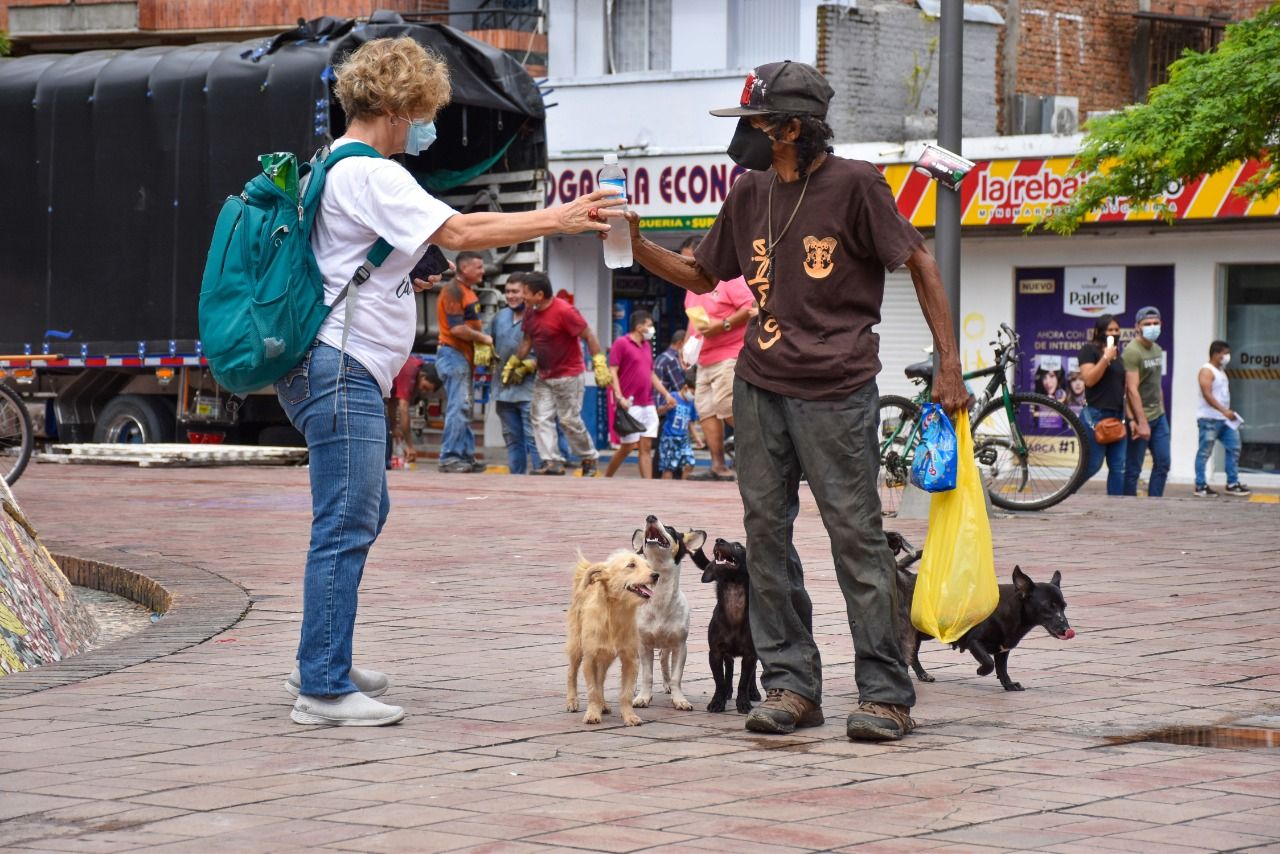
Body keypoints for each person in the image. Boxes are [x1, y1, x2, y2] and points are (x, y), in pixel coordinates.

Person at [596, 60, 967, 741]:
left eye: (756, 124)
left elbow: (920, 261)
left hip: (837, 389)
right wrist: (637, 242)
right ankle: (792, 686)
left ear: (792, 127)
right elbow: (704, 272)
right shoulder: (749, 192)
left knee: (856, 540)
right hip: (761, 384)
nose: (746, 137)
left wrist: (950, 365)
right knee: (766, 541)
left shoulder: (857, 185)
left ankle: (886, 693)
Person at [276, 36, 620, 727]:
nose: (428, 126)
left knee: (362, 514)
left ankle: (325, 655)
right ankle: (321, 687)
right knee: (345, 522)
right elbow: (461, 232)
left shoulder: (332, 167)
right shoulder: (370, 172)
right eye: (426, 111)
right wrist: (559, 217)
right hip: (339, 370)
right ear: (400, 107)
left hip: (338, 369)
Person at [508, 271, 611, 477]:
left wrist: (599, 363)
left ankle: (588, 457)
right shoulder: (530, 311)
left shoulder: (565, 311)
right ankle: (552, 461)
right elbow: (528, 340)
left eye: (525, 293)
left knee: (569, 420)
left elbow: (588, 335)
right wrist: (513, 362)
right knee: (539, 417)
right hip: (544, 375)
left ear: (539, 294)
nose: (522, 297)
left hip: (569, 375)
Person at [682, 243, 754, 482]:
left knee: (726, 406)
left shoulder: (729, 279)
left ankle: (763, 453)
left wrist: (722, 325)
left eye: (689, 259)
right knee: (707, 412)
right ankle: (718, 466)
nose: (686, 264)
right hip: (703, 358)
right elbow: (692, 322)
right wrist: (685, 349)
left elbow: (750, 307)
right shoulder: (693, 287)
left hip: (730, 353)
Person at [435, 250, 492, 473]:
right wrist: (483, 338)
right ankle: (450, 457)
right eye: (479, 267)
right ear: (464, 268)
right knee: (459, 406)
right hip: (453, 354)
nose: (483, 271)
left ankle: (465, 456)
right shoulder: (453, 291)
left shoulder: (466, 291)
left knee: (464, 406)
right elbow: (456, 328)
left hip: (461, 357)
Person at [604, 311, 677, 478]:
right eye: (649, 325)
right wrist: (619, 395)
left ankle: (648, 485)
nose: (652, 329)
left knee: (646, 446)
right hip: (630, 403)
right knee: (627, 446)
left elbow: (650, 374)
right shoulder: (621, 343)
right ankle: (607, 477)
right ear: (639, 327)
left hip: (648, 402)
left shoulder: (646, 346)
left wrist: (666, 394)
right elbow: (613, 371)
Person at [486, 273, 541, 474]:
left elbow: (549, 352)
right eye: (508, 292)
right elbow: (487, 340)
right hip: (502, 389)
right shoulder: (499, 317)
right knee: (512, 438)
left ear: (525, 293)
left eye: (515, 291)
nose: (511, 296)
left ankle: (539, 477)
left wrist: (530, 364)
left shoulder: (537, 316)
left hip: (529, 390)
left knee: (533, 437)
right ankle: (516, 480)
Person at [1076, 314, 1128, 496]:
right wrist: (1105, 358)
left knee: (1118, 466)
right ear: (1099, 332)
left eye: (1116, 329)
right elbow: (1089, 380)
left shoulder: (1119, 357)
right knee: (1093, 464)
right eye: (1110, 330)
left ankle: (1116, 505)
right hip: (1095, 415)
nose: (1114, 333)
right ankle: (1066, 493)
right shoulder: (1089, 350)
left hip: (1117, 417)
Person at [1123, 306, 1171, 497]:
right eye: (1147, 324)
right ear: (1137, 327)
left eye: (1155, 323)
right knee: (1134, 468)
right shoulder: (1132, 351)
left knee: (1163, 463)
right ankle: (1127, 506)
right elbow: (1131, 390)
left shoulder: (1157, 349)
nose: (1152, 327)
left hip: (1159, 417)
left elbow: (1156, 384)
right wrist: (1140, 421)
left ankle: (1154, 503)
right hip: (1140, 417)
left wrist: (1163, 411)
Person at [1194, 340, 1250, 497]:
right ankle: (1200, 485)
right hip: (1209, 419)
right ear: (1215, 354)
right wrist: (1224, 411)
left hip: (1224, 420)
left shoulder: (1221, 371)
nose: (1227, 357)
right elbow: (1207, 395)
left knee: (1234, 447)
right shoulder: (1207, 371)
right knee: (1204, 452)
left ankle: (1232, 483)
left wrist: (1226, 414)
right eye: (1224, 353)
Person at [387, 356, 440, 467]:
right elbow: (403, 408)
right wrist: (410, 445)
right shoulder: (410, 371)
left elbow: (392, 401)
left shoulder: (415, 367)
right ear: (422, 376)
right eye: (425, 387)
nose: (423, 391)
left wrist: (394, 427)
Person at [652, 328, 688, 477]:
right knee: (670, 446)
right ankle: (665, 478)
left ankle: (657, 477)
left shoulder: (661, 357)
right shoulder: (672, 360)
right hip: (669, 410)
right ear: (680, 343)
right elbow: (680, 386)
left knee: (662, 446)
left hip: (659, 408)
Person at [658, 368, 700, 479]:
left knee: (690, 462)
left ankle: (683, 485)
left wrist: (697, 437)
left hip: (684, 439)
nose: (693, 396)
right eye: (693, 393)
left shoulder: (691, 403)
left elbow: (690, 422)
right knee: (668, 467)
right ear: (685, 388)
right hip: (669, 438)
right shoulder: (673, 397)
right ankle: (665, 491)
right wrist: (666, 408)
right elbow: (658, 412)